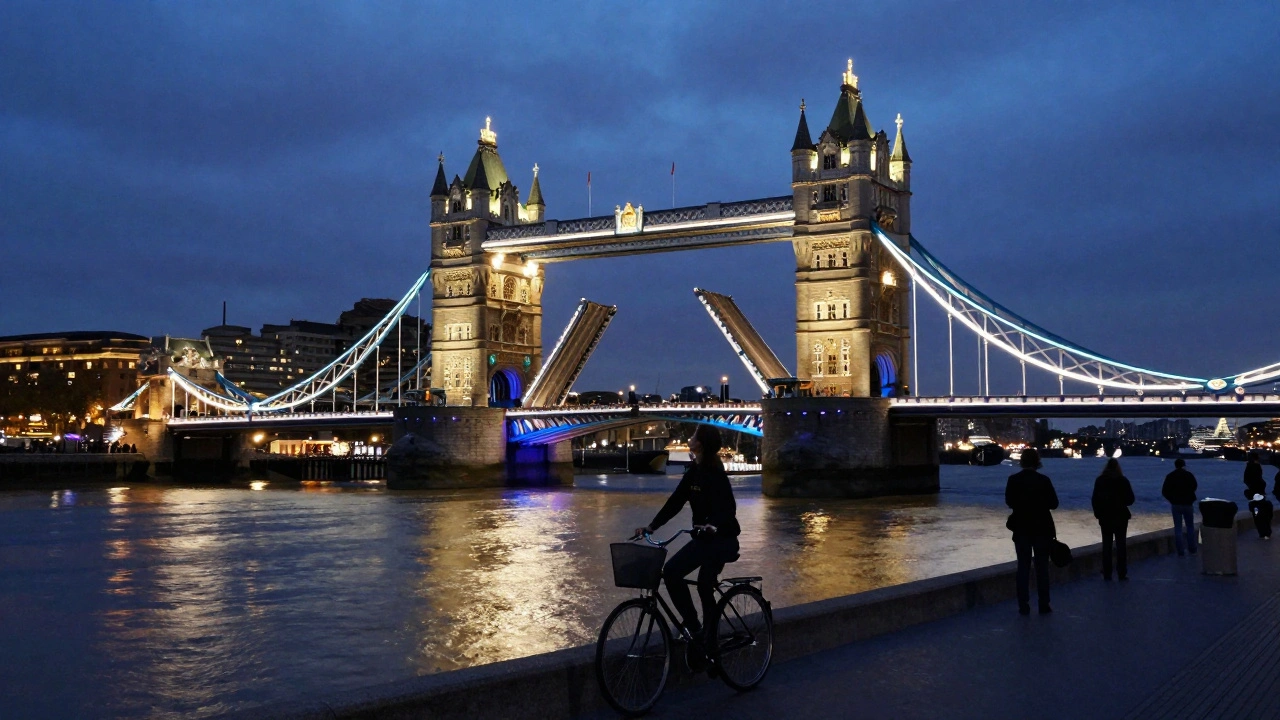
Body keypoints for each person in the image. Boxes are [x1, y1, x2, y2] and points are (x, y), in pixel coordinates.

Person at [634, 424, 741, 644]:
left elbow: (728, 510)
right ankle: (695, 626)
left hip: (722, 541)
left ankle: (709, 637)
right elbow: (675, 501)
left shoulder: (715, 473)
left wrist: (713, 525)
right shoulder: (694, 471)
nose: (689, 439)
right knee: (672, 572)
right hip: (703, 540)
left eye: (693, 436)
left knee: (704, 584)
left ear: (699, 444)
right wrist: (652, 526)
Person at [1005, 448, 1059, 615]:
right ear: (1037, 462)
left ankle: (1023, 605)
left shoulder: (1013, 480)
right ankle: (1044, 604)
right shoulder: (1044, 480)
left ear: (1021, 461)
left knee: (1023, 567)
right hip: (1042, 528)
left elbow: (1009, 502)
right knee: (1042, 567)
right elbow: (1054, 503)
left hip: (1021, 528)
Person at [1092, 458, 1136, 580]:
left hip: (1105, 517)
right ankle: (1122, 572)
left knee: (1106, 545)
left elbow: (1095, 499)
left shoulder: (1100, 481)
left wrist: (1098, 514)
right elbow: (1130, 499)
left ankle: (1107, 572)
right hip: (1121, 516)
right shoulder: (1123, 480)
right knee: (1121, 544)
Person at [1162, 458, 1199, 556]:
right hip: (1188, 503)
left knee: (1178, 528)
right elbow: (1195, 486)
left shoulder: (1170, 476)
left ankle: (1180, 550)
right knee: (1190, 526)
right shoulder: (1189, 475)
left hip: (1176, 504)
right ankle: (1192, 548)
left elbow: (1164, 491)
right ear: (1183, 465)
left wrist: (1172, 499)